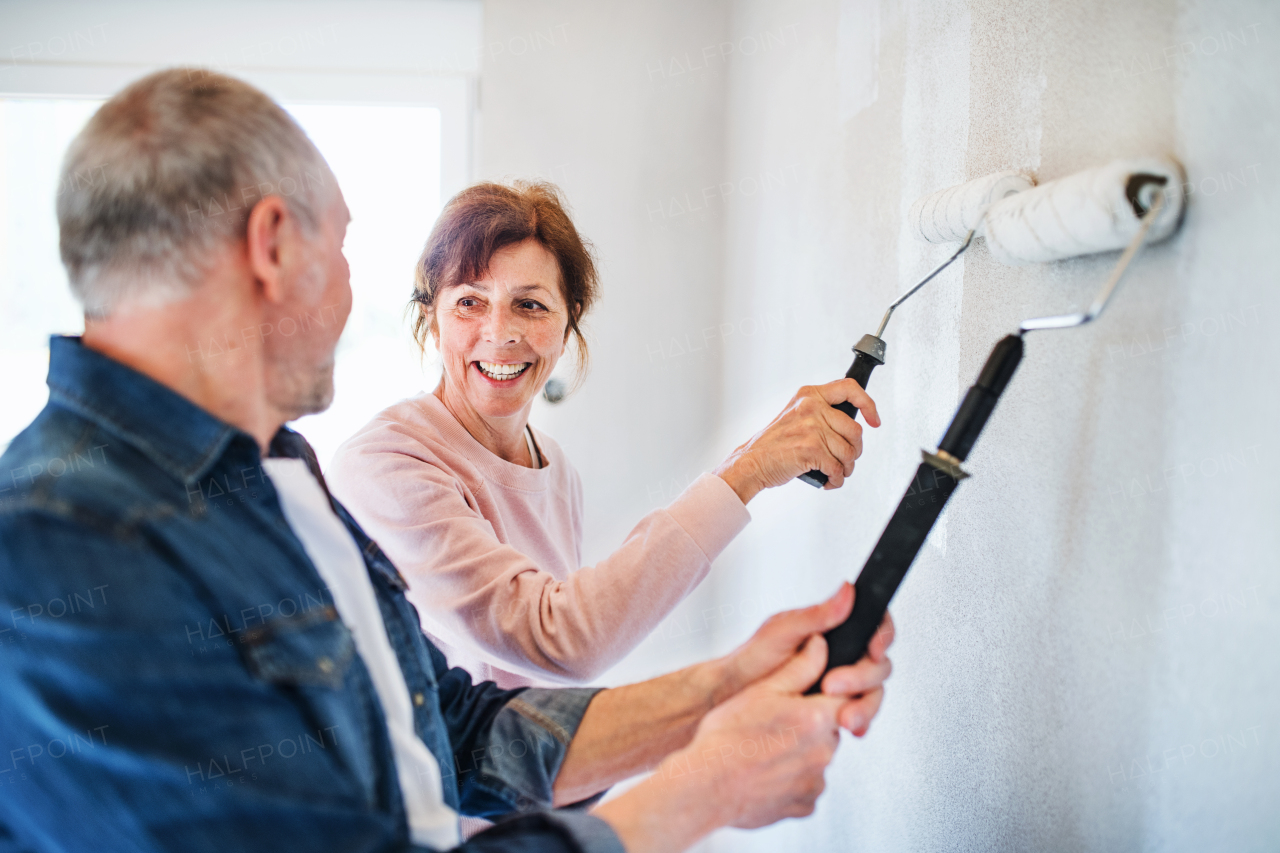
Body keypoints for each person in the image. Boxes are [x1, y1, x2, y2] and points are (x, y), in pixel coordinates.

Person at [0, 68, 894, 853]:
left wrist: (732, 684)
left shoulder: (282, 472)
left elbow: (457, 738)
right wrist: (704, 789)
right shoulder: (59, 541)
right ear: (274, 243)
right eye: (344, 245)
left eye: (532, 306)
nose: (356, 296)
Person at [327, 182, 880, 688]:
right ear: (431, 318)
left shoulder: (553, 468)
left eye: (530, 304)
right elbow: (558, 639)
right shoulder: (384, 464)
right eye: (469, 302)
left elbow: (546, 678)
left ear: (568, 325)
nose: (500, 334)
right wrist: (749, 469)